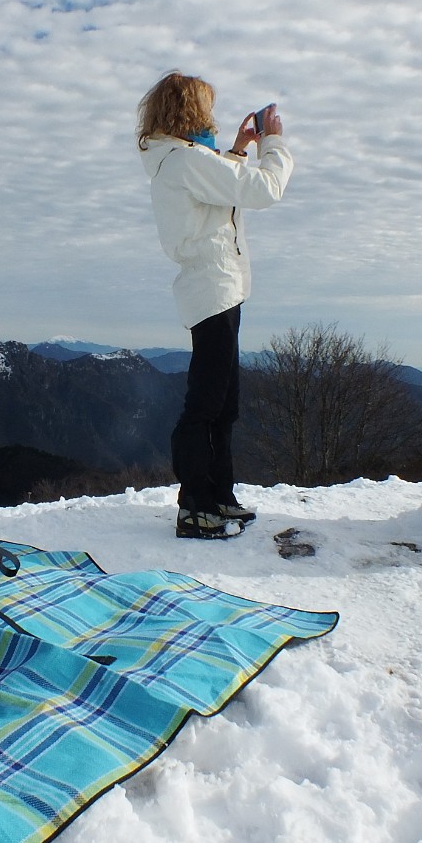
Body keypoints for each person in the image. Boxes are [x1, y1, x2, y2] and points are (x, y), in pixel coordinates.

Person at [137, 72, 295, 539]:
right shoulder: (184, 160)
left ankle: (218, 497)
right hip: (214, 286)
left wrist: (239, 150)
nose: (212, 117)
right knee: (206, 404)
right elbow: (263, 189)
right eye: (206, 108)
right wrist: (275, 145)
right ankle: (195, 507)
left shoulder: (180, 160)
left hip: (217, 286)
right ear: (190, 111)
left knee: (223, 403)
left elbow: (214, 194)